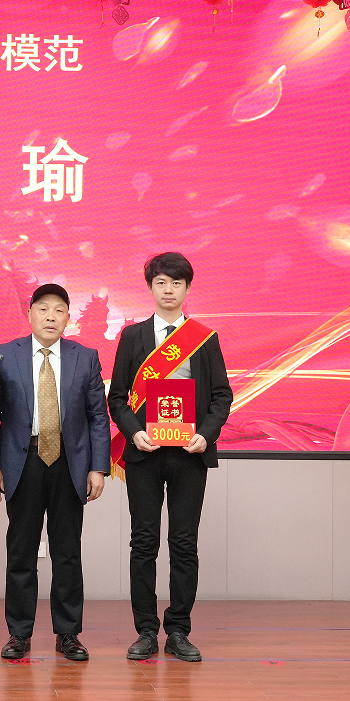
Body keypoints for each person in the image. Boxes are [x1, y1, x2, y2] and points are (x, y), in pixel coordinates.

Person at [107, 252, 233, 663]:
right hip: (145, 452)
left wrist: (205, 434)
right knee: (143, 542)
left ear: (187, 288)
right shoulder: (133, 336)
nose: (168, 290)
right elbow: (118, 397)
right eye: (160, 282)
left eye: (176, 283)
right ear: (150, 287)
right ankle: (145, 630)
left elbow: (221, 396)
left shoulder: (204, 337)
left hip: (189, 454)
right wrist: (134, 431)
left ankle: (178, 630)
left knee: (184, 543)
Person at [0, 284, 111, 661]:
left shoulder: (85, 357)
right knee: (21, 551)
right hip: (23, 461)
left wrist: (98, 467)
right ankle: (19, 633)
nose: (51, 316)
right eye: (43, 309)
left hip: (70, 462)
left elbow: (98, 416)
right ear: (30, 314)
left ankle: (68, 634)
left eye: (59, 310)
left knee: (67, 551)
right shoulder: (4, 355)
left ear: (67, 318)